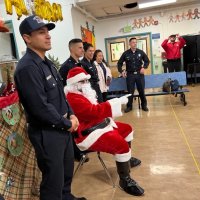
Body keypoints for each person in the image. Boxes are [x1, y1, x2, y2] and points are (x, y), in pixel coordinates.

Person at [14, 15, 86, 200]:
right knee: (53, 181)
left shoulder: (48, 64)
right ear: (27, 38)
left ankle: (67, 197)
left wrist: (71, 114)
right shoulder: (27, 68)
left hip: (61, 127)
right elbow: (40, 107)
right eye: (41, 32)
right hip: (47, 133)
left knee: (66, 174)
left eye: (47, 32)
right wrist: (66, 122)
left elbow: (60, 95)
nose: (48, 36)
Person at [65, 67, 144, 196]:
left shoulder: (83, 93)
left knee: (127, 129)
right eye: (83, 81)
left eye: (86, 80)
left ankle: (126, 161)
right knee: (121, 145)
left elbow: (96, 110)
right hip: (88, 134)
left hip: (100, 124)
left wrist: (115, 102)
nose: (87, 83)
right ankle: (125, 180)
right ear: (75, 84)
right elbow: (94, 112)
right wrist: (117, 102)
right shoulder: (73, 98)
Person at [59, 38, 88, 162]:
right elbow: (62, 87)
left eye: (82, 47)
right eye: (80, 47)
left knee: (81, 124)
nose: (83, 50)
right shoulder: (66, 66)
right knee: (74, 127)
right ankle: (77, 153)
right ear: (72, 49)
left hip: (81, 99)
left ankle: (82, 147)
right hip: (72, 102)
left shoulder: (79, 64)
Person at [117, 37, 150, 113]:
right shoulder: (125, 53)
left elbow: (147, 61)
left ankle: (144, 105)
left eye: (136, 42)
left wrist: (144, 67)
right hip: (130, 75)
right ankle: (129, 106)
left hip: (139, 74)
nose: (135, 44)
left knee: (141, 91)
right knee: (130, 92)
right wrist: (122, 71)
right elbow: (119, 63)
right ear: (130, 44)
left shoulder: (140, 52)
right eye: (133, 42)